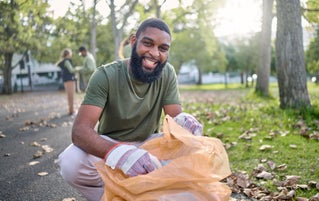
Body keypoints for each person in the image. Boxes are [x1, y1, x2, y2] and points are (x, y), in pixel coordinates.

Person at [58, 18, 203, 201]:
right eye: (148, 43)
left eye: (163, 48)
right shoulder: (105, 75)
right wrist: (120, 153)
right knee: (71, 161)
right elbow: (80, 131)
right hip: (111, 148)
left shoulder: (167, 73)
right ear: (134, 41)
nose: (154, 53)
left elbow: (174, 120)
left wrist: (185, 122)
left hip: (149, 148)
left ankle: (140, 193)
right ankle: (116, 196)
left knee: (194, 148)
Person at [56, 48, 77, 115]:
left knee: (69, 95)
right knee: (71, 95)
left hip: (66, 80)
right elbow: (71, 70)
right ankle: (72, 111)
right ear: (68, 54)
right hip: (70, 79)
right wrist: (77, 68)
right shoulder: (67, 61)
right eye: (70, 53)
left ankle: (71, 110)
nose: (71, 55)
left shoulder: (63, 61)